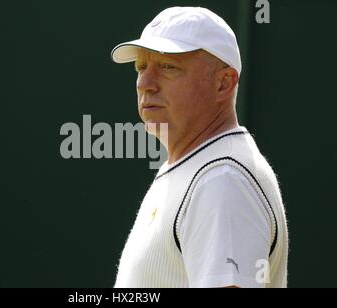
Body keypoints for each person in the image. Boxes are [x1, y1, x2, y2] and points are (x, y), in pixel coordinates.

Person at [111, 7, 288, 288]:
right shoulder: (201, 167)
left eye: (168, 67)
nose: (145, 83)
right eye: (141, 68)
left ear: (223, 83)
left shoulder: (222, 180)